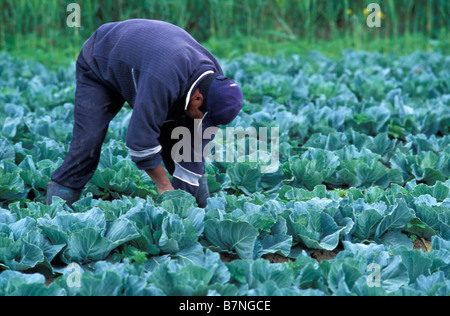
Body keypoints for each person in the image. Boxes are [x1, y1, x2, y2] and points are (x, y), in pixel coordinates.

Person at [46, 19, 243, 208]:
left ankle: (200, 208)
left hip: (146, 64)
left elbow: (195, 143)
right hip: (101, 59)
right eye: (203, 115)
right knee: (87, 143)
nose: (202, 120)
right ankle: (57, 210)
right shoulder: (164, 79)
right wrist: (164, 186)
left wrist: (190, 206)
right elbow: (140, 142)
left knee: (183, 139)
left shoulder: (214, 81)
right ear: (197, 98)